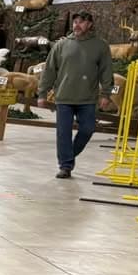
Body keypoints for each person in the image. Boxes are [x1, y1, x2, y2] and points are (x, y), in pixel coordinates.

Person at [38, 11, 114, 178]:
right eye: (75, 22)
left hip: (88, 98)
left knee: (88, 129)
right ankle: (65, 166)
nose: (77, 25)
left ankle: (68, 156)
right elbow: (49, 70)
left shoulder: (100, 46)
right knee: (63, 132)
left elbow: (106, 71)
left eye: (81, 22)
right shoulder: (62, 45)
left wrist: (106, 94)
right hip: (64, 96)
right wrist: (42, 93)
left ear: (90, 25)